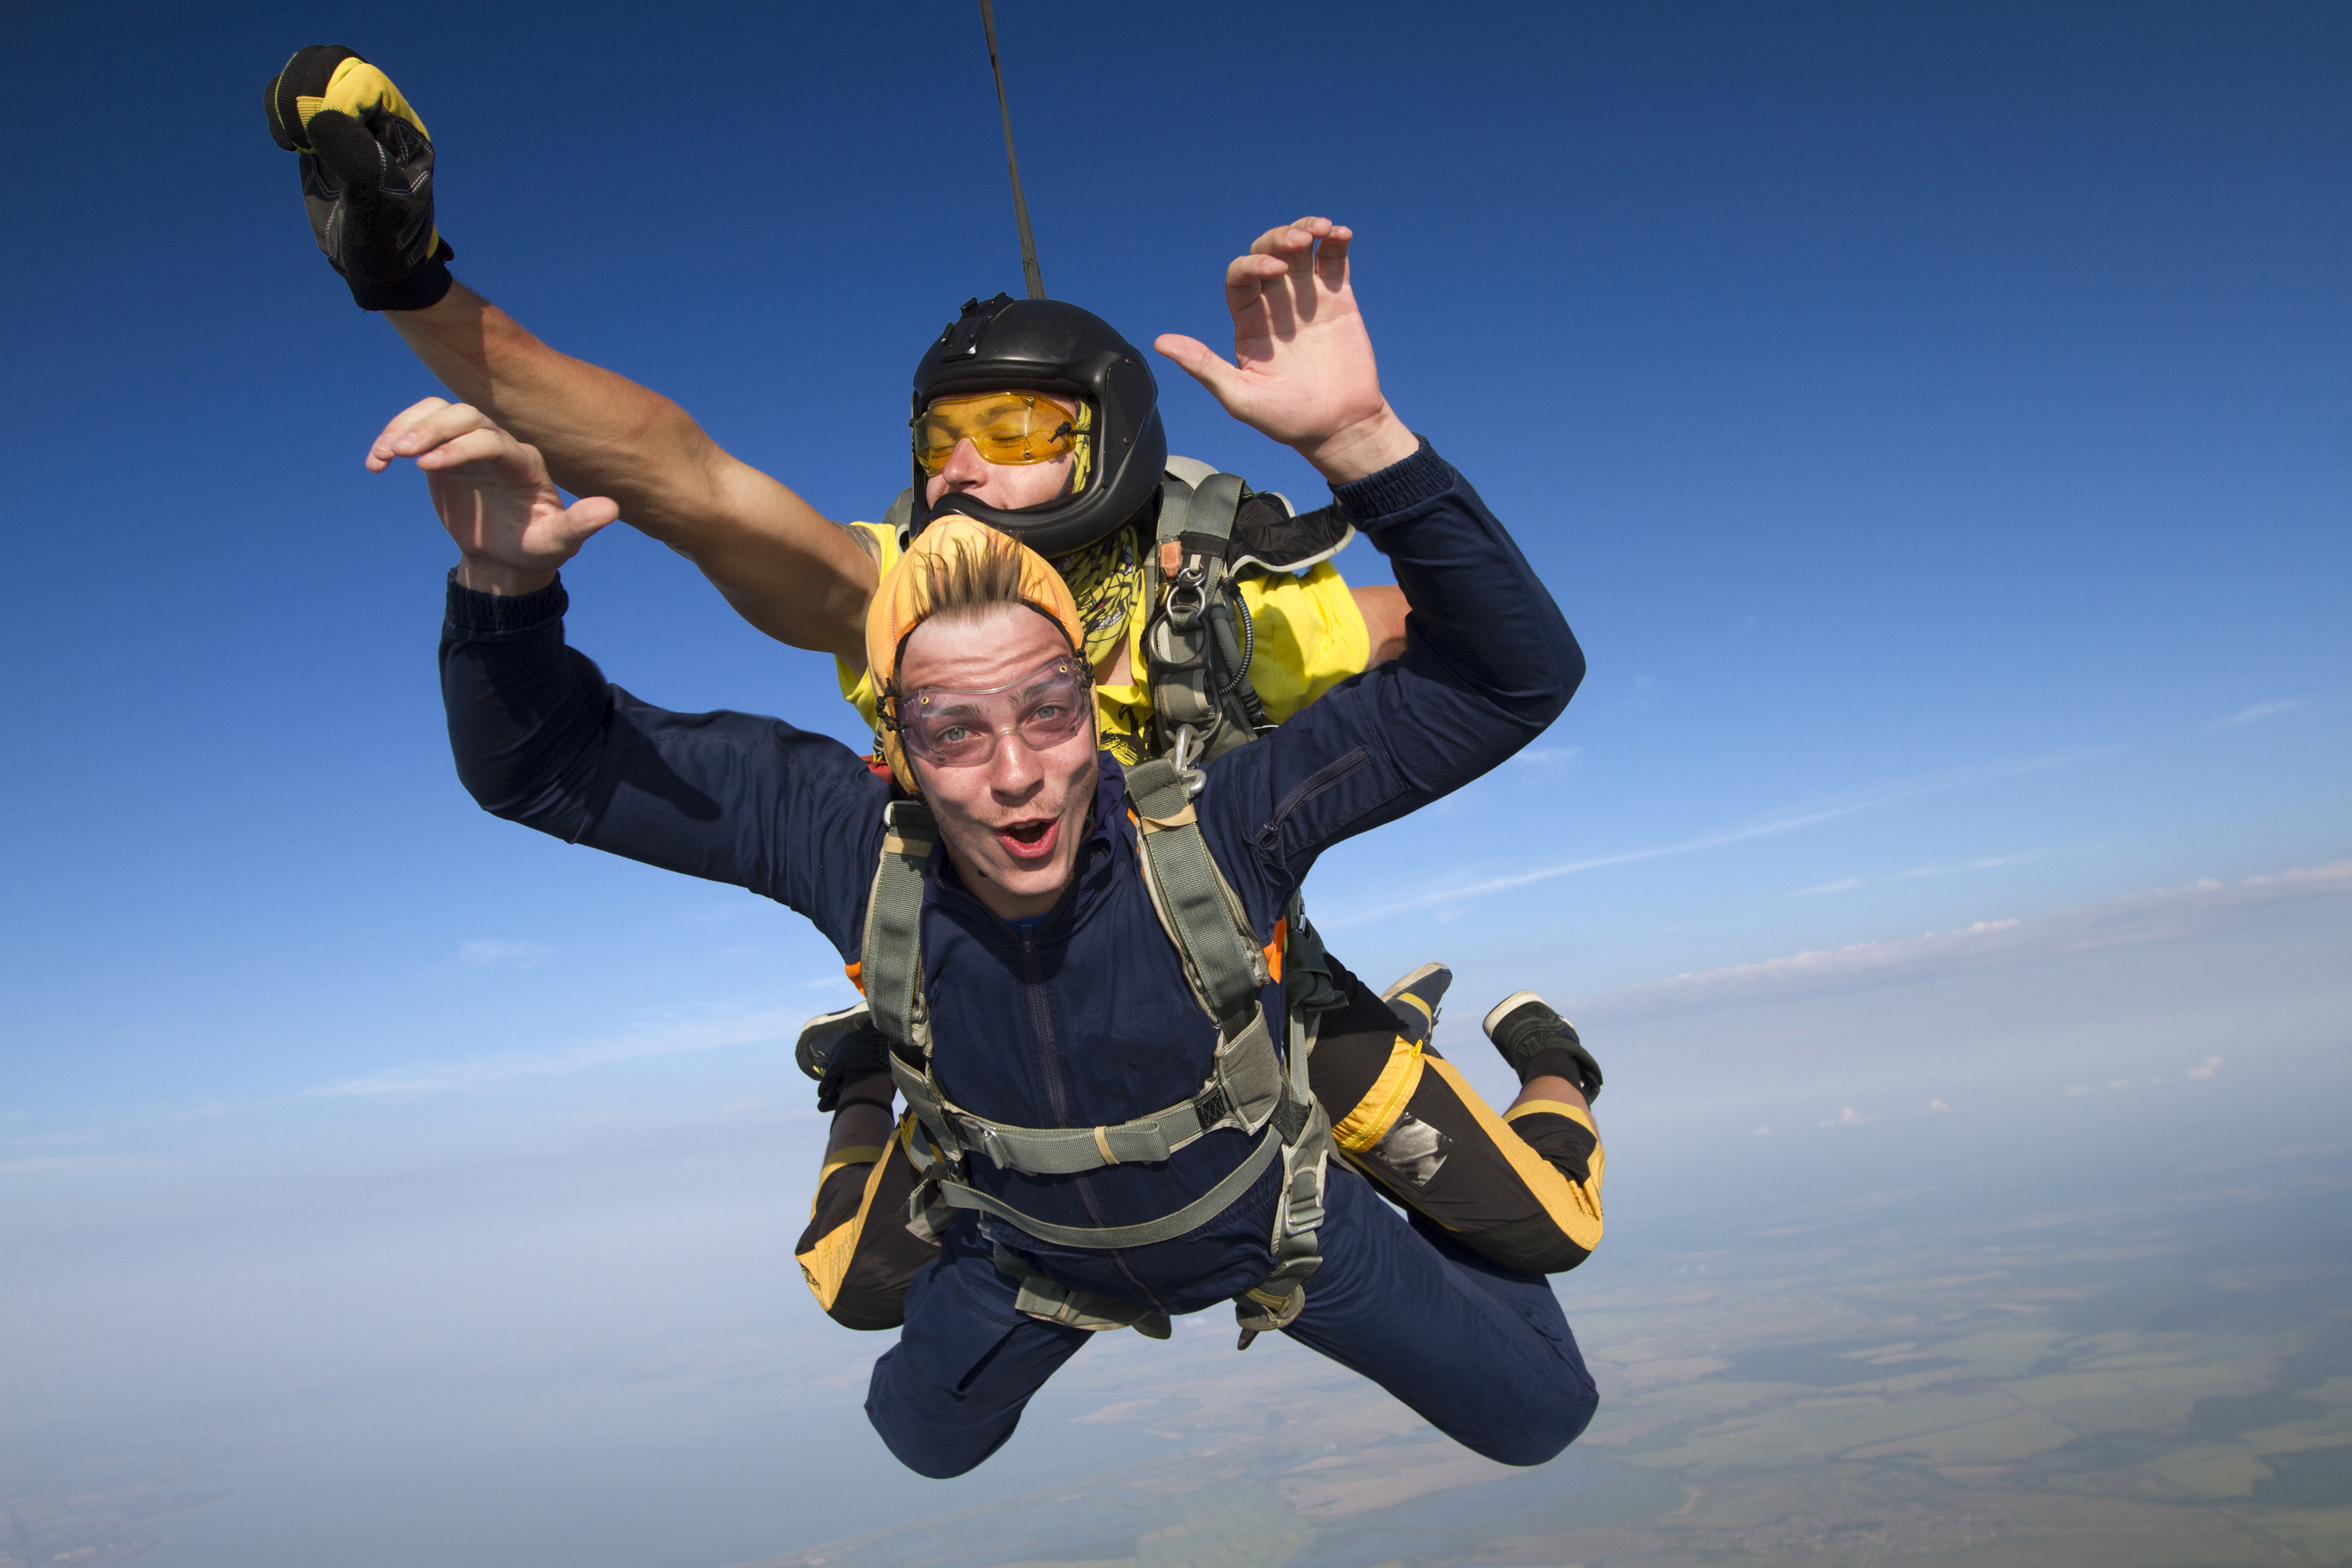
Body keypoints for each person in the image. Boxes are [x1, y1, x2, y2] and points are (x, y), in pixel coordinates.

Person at [266, 45, 1608, 1329]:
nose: (959, 465)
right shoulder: (888, 599)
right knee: (856, 1285)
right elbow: (683, 474)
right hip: (988, 995)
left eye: (1015, 429)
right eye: (939, 437)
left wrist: (1365, 447)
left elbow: (1480, 644)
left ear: (1111, 446)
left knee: (1549, 1226)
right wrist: (413, 287)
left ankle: (1556, 1059)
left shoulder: (1236, 615)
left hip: (1239, 995)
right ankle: (857, 1068)